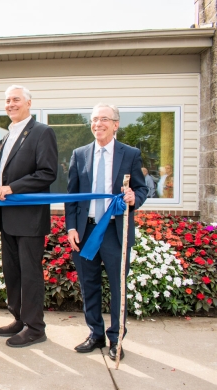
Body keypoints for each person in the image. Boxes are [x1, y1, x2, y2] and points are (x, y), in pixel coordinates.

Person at [66, 103, 148, 360]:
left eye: (104, 119)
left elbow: (142, 190)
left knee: (117, 286)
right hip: (86, 231)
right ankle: (95, 334)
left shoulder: (130, 154)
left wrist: (135, 198)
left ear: (116, 124)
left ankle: (115, 339)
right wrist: (70, 227)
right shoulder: (79, 154)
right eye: (94, 119)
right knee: (88, 285)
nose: (98, 124)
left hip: (115, 231)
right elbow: (72, 195)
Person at [0, 85, 58, 348]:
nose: (11, 104)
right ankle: (19, 318)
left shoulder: (42, 132)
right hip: (6, 217)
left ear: (29, 103)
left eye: (16, 99)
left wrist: (13, 188)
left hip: (29, 218)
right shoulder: (7, 136)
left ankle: (35, 327)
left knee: (30, 273)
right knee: (13, 272)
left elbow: (47, 172)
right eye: (7, 100)